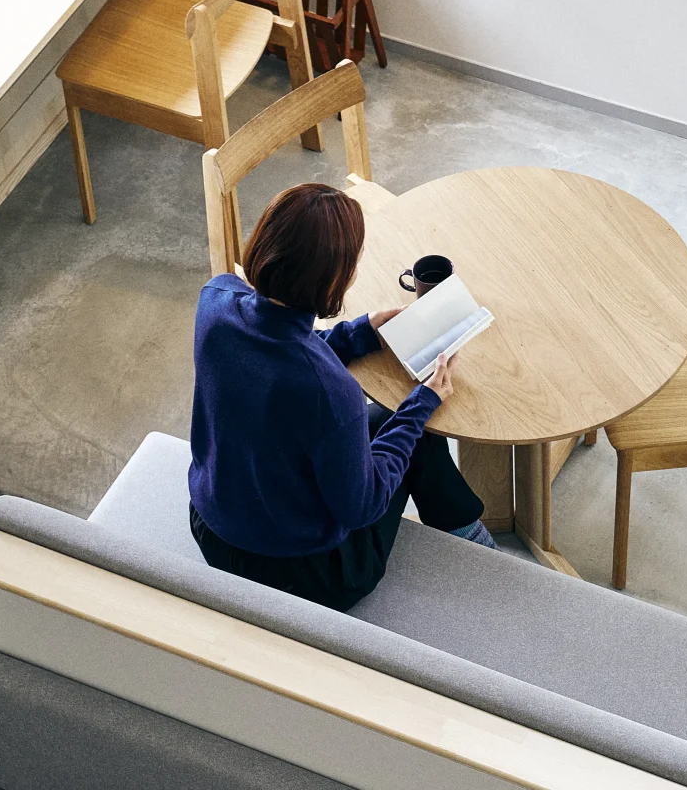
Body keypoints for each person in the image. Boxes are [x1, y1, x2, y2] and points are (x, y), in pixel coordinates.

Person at [188, 181, 498, 611]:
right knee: (413, 430)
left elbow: (276, 351)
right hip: (306, 572)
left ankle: (468, 531)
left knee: (395, 420)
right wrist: (423, 403)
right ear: (335, 277)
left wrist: (361, 332)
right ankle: (477, 546)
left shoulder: (217, 300)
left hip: (212, 527)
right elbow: (362, 507)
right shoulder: (331, 392)